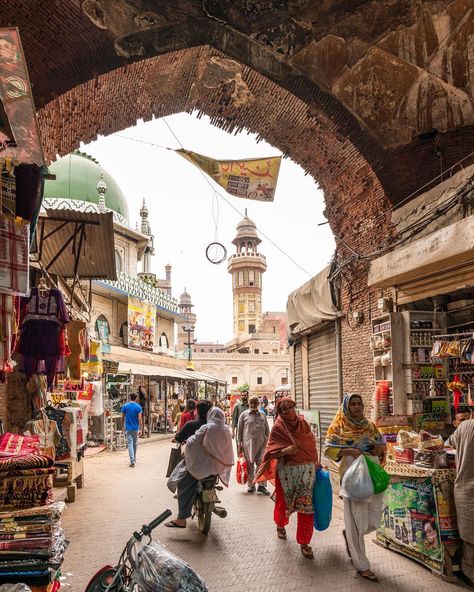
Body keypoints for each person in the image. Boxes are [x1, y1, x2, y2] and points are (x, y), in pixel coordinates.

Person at [324, 394, 386, 582]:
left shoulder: (369, 425)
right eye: (353, 404)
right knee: (356, 521)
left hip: (372, 474)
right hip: (352, 478)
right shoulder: (338, 426)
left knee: (373, 519)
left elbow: (381, 444)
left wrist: (378, 450)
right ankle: (362, 565)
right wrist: (348, 450)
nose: (357, 407)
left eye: (360, 404)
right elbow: (328, 449)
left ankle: (350, 537)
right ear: (346, 407)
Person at [255, 397, 318, 559]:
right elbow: (270, 452)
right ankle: (280, 525)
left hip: (307, 471)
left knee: (306, 507)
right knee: (283, 503)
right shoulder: (278, 427)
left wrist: (316, 463)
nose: (288, 411)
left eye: (290, 407)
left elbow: (311, 444)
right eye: (284, 409)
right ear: (279, 412)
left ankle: (304, 542)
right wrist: (285, 451)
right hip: (286, 473)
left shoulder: (303, 424)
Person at [165, 407, 234, 528]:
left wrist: (188, 442)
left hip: (202, 467)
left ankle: (182, 519)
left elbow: (192, 442)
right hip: (217, 467)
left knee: (183, 484)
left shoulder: (206, 428)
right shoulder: (226, 429)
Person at [447, 417, 474, 587]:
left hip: (464, 490)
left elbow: (449, 444)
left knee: (470, 536)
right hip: (467, 491)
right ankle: (469, 572)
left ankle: (468, 572)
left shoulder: (465, 426)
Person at [237, 396, 270, 495]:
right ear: (249, 403)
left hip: (262, 444)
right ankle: (251, 485)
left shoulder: (263, 414)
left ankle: (261, 486)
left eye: (255, 403)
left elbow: (267, 430)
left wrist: (269, 443)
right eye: (251, 403)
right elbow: (239, 431)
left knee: (261, 465)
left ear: (258, 403)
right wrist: (239, 445)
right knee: (250, 465)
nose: (253, 405)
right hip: (248, 445)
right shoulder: (244, 415)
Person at [121, 393, 143, 468]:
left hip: (128, 428)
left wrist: (122, 426)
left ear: (130, 397)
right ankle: (134, 458)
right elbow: (140, 418)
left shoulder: (125, 406)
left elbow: (122, 417)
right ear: (136, 398)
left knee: (130, 444)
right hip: (135, 428)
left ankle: (132, 461)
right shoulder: (138, 407)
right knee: (135, 444)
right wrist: (141, 428)